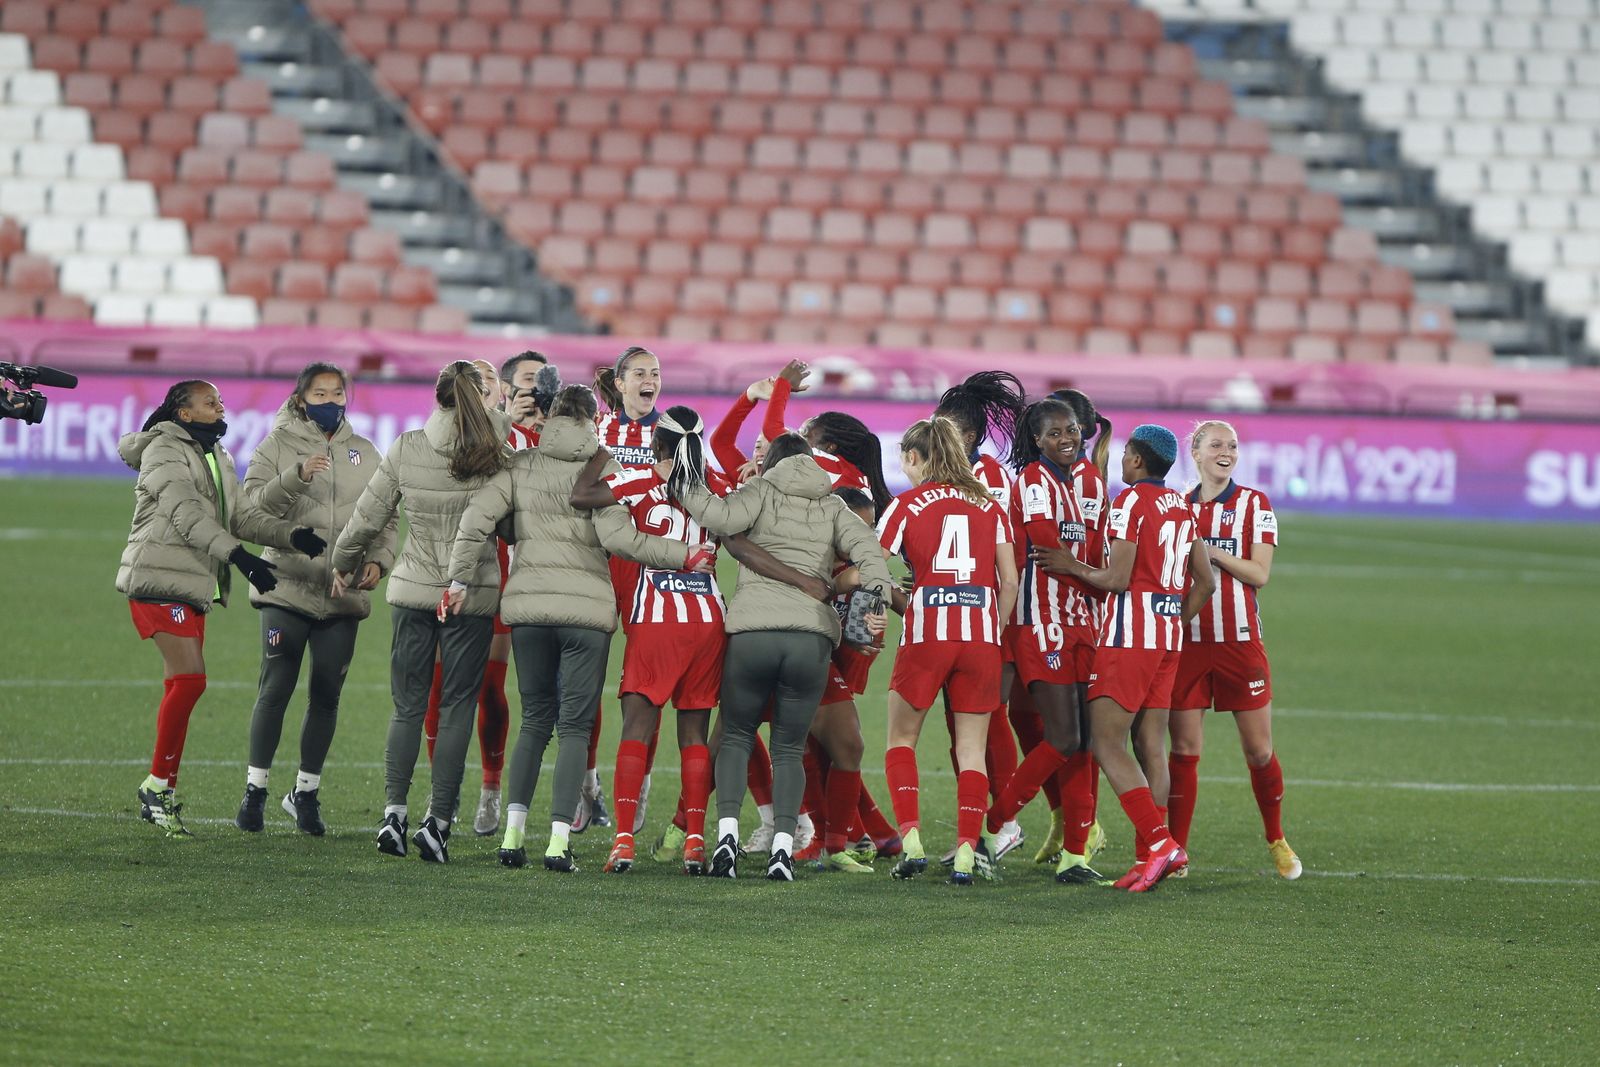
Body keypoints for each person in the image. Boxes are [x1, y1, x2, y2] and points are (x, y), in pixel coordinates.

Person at [446, 385, 704, 872]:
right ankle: (559, 842)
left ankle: (513, 835)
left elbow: (477, 519)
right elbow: (621, 539)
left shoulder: (521, 466)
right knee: (574, 728)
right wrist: (683, 556)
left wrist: (458, 578)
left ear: (550, 418)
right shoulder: (604, 468)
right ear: (593, 421)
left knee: (535, 721)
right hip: (586, 615)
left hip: (528, 611)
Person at [570, 404, 830, 874]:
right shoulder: (717, 487)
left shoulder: (641, 478)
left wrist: (605, 448)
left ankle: (624, 840)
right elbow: (744, 534)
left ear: (659, 445)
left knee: (637, 726)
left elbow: (582, 496)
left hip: (657, 616)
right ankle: (694, 841)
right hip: (709, 618)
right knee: (694, 733)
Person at [676, 433, 895, 881]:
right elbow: (870, 553)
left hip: (753, 632)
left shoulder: (758, 491)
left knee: (736, 736)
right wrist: (875, 601)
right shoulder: (834, 505)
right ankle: (782, 849)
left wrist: (681, 479)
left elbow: (717, 516)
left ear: (771, 462)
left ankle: (728, 839)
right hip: (809, 638)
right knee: (790, 749)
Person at [117, 380, 324, 836]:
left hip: (191, 586)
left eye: (221, 400)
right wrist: (240, 558)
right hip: (156, 579)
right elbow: (186, 515)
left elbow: (242, 516)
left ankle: (161, 790)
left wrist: (290, 537)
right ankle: (156, 786)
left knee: (183, 684)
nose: (220, 406)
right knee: (191, 680)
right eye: (209, 402)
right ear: (184, 414)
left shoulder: (217, 455)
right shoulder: (163, 451)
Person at [332, 360, 508, 863]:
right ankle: (439, 822)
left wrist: (344, 563)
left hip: (412, 591)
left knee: (408, 707)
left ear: (437, 397)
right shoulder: (497, 452)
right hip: (470, 597)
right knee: (456, 708)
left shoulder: (408, 446)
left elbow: (369, 514)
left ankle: (394, 814)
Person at [1032, 425, 1215, 893]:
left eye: (1127, 454)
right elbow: (1206, 583)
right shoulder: (1181, 505)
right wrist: (1171, 617)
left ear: (1135, 459)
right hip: (1167, 638)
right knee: (1150, 747)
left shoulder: (1132, 501)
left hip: (1130, 638)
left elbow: (1116, 579)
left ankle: (1159, 844)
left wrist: (1070, 565)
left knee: (1105, 741)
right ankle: (1146, 858)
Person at [235, 362, 394, 836]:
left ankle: (305, 794)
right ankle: (255, 791)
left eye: (337, 393)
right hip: (285, 587)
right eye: (320, 393)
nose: (330, 401)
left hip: (341, 596)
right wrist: (296, 475)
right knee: (276, 688)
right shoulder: (277, 443)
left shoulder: (365, 453)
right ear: (301, 399)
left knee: (327, 695)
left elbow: (385, 517)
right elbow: (252, 507)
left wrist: (379, 562)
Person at [877, 417, 1019, 885]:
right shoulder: (988, 504)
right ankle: (964, 849)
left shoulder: (906, 504)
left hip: (927, 635)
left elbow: (874, 568)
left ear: (915, 458)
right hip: (980, 636)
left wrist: (903, 603)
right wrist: (991, 627)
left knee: (902, 740)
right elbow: (1010, 579)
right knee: (972, 749)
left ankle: (912, 838)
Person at [973, 398, 1105, 884]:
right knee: (1063, 736)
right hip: (1041, 619)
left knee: (1083, 740)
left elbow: (1090, 551)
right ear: (1037, 440)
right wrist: (1101, 577)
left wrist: (1094, 577)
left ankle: (1076, 856)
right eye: (1054, 433)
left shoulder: (1085, 481)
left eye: (1071, 429)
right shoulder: (1032, 482)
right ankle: (990, 827)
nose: (1066, 439)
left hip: (1083, 620)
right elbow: (1051, 552)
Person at [1168, 420, 1300, 880]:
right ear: (1197, 453)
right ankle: (1177, 853)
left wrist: (1208, 552)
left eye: (1234, 446)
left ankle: (1276, 838)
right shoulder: (1177, 508)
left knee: (1259, 750)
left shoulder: (1254, 505)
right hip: (1187, 645)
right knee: (1183, 750)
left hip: (1239, 645)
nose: (1227, 451)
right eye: (1217, 445)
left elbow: (1259, 573)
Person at [931, 370, 1028, 863]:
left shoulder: (985, 478)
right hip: (960, 614)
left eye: (942, 428)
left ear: (966, 436)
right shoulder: (959, 474)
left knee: (984, 719)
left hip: (986, 614)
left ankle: (1003, 823)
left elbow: (997, 553)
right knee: (967, 722)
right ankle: (986, 824)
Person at [577, 345, 666, 834]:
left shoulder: (675, 432)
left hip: (652, 570)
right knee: (585, 682)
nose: (648, 381)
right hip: (599, 563)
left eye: (655, 373)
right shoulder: (598, 431)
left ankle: (640, 790)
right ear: (621, 382)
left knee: (644, 689)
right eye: (639, 374)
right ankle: (586, 787)